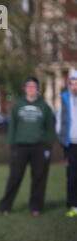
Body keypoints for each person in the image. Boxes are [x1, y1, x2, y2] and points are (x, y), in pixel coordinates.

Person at [0, 76, 55, 217]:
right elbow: (12, 126)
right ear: (25, 89)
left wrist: (47, 146)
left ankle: (36, 207)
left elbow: (50, 128)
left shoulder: (44, 107)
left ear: (38, 89)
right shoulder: (18, 105)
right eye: (28, 87)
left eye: (34, 87)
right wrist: (12, 144)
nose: (31, 89)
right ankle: (4, 208)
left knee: (39, 178)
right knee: (14, 177)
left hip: (40, 147)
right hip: (20, 147)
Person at [56, 71, 77, 218]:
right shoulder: (64, 99)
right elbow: (59, 122)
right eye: (72, 83)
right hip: (70, 145)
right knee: (72, 176)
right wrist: (62, 140)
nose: (74, 86)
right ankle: (72, 205)